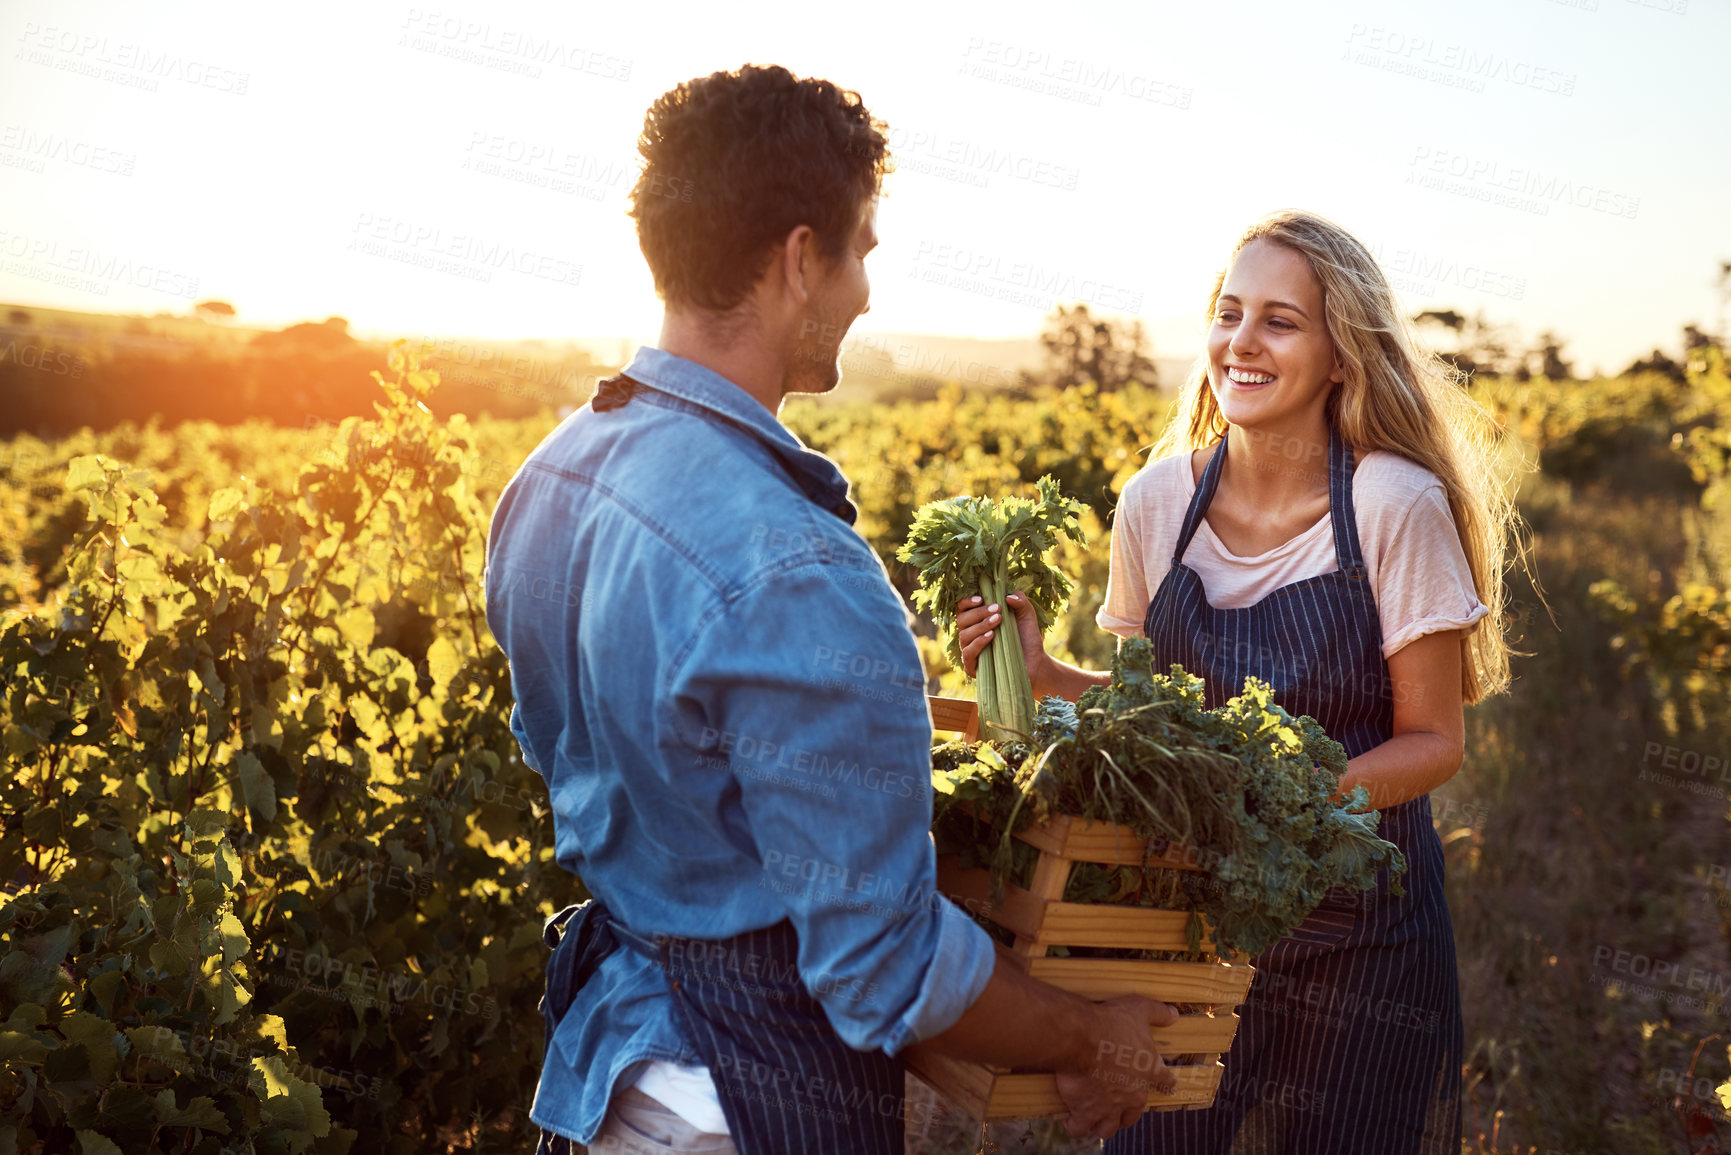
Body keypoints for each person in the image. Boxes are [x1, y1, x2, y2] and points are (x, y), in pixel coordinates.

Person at [484, 64, 1179, 1155]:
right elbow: (881, 969)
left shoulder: (549, 481)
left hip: (607, 1081)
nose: (866, 290)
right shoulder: (803, 568)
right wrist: (1096, 1039)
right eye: (860, 252)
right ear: (801, 260)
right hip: (739, 1111)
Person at [955, 209, 1520, 1154]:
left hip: (1360, 939)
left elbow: (1434, 742)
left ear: (1342, 353)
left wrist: (1276, 804)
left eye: (1279, 321)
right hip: (1187, 927)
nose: (1241, 343)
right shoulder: (1154, 503)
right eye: (1228, 313)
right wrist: (1042, 667)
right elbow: (1146, 719)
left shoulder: (1390, 503)